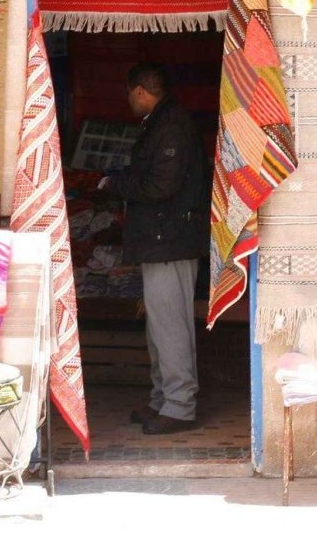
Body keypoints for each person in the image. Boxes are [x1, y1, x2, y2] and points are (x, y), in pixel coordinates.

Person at [99, 62, 208, 435]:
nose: (130, 101)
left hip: (170, 241)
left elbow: (162, 186)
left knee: (171, 326)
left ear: (140, 91)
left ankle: (179, 407)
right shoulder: (161, 122)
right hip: (161, 240)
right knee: (160, 326)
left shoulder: (171, 125)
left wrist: (114, 185)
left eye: (131, 94)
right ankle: (163, 399)